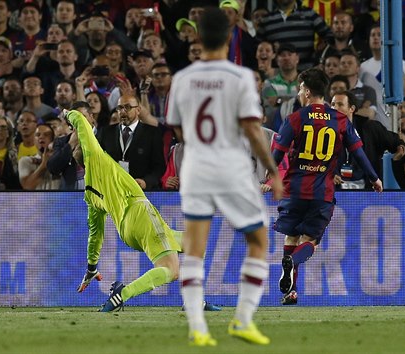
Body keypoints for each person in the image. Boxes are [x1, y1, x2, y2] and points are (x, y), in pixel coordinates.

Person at [166, 7, 283, 347]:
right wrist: (273, 172)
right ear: (231, 36)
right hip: (231, 167)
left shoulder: (182, 79)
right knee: (258, 241)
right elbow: (251, 128)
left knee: (194, 249)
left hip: (197, 168)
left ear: (198, 38)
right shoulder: (240, 78)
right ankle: (243, 319)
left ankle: (197, 327)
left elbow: (177, 127)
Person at [65, 106, 219, 316]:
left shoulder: (90, 195)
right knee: (171, 270)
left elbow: (96, 235)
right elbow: (82, 122)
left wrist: (92, 268)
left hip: (127, 231)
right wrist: (68, 114)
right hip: (140, 214)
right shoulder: (97, 157)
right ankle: (123, 294)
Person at [272, 68, 383, 307]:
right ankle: (292, 269)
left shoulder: (296, 118)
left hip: (294, 189)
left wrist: (268, 178)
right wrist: (374, 178)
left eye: (301, 88)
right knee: (310, 240)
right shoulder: (340, 119)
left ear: (308, 91)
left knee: (292, 236)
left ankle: (291, 290)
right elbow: (358, 153)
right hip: (322, 191)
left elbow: (277, 153)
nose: (300, 92)